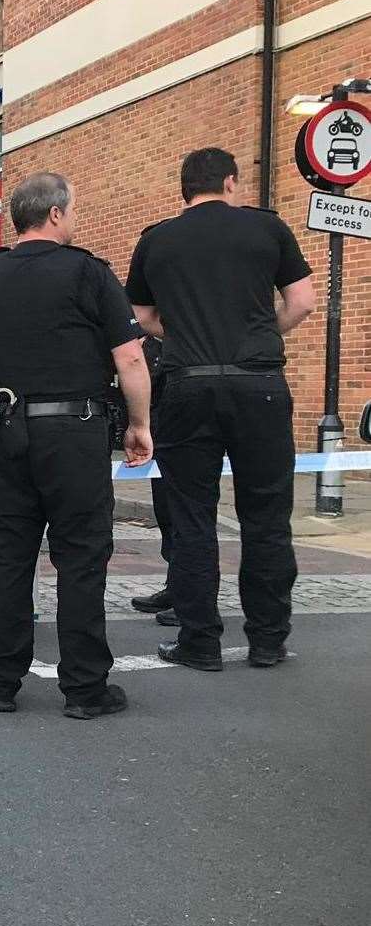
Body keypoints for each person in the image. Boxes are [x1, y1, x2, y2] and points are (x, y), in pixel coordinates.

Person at [0, 172, 153, 719]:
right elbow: (131, 357)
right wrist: (140, 424)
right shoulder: (89, 273)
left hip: (3, 428)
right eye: (76, 209)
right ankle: (85, 690)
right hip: (75, 434)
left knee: (9, 557)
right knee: (82, 559)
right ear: (58, 214)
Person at [126, 147, 315, 672]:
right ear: (230, 183)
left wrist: (184, 333)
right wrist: (257, 335)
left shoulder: (157, 239)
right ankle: (268, 639)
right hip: (260, 385)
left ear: (185, 189)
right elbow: (302, 301)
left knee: (191, 518)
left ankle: (200, 642)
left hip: (188, 385)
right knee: (267, 515)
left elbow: (140, 315)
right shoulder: (267, 230)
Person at [128, 334, 180, 628]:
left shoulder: (170, 336)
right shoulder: (152, 339)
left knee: (181, 513)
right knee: (166, 512)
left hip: (176, 426)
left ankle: (190, 594)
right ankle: (176, 587)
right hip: (160, 428)